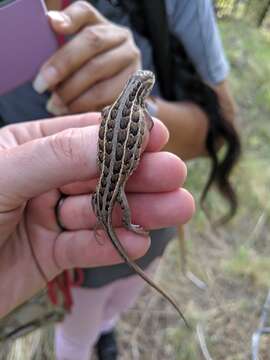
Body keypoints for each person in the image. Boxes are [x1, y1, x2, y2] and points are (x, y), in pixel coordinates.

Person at [0, 1, 240, 359]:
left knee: (115, 290)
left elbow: (221, 125)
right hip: (63, 247)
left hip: (107, 205)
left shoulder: (124, 108)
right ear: (140, 92)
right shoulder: (137, 113)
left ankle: (106, 329)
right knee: (79, 324)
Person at [0, 113, 194, 319]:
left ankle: (116, 225)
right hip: (111, 179)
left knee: (107, 203)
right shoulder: (138, 114)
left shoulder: (123, 110)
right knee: (113, 204)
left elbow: (106, 113)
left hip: (106, 180)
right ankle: (125, 224)